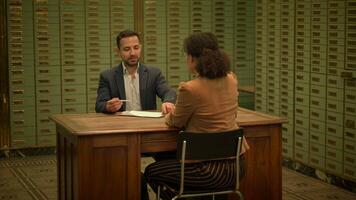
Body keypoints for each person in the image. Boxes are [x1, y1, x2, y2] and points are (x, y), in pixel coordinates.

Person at [144, 32, 250, 200]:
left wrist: (171, 112)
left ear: (193, 58)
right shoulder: (232, 79)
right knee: (169, 159)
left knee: (151, 171)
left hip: (208, 171)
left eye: (187, 56)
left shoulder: (190, 88)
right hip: (237, 166)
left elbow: (175, 122)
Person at [95, 30, 176, 114]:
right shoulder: (108, 76)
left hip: (146, 123)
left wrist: (168, 102)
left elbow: (168, 92)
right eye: (127, 49)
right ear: (118, 52)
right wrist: (108, 107)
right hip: (120, 123)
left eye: (136, 48)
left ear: (140, 48)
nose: (132, 53)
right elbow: (99, 105)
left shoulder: (153, 73)